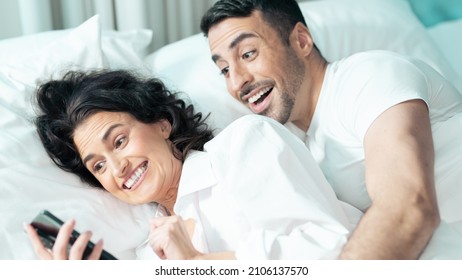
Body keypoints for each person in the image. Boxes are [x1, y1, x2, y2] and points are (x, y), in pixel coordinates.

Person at [199, 0, 462, 259]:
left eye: (247, 54)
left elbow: (408, 208)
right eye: (224, 69)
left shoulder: (367, 78)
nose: (236, 82)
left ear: (301, 40)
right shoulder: (294, 147)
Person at [25, 69, 363, 260]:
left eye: (119, 141)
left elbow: (328, 246)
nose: (117, 170)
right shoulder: (149, 253)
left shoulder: (243, 146)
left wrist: (199, 264)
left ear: (161, 123)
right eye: (98, 167)